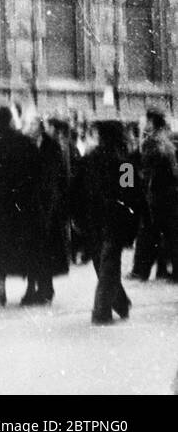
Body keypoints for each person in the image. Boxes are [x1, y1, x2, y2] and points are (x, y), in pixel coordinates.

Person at [72, 119, 142, 325]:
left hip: (92, 220)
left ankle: (112, 305)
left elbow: (75, 191)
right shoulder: (125, 163)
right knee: (109, 265)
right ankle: (108, 308)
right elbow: (130, 195)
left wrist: (76, 217)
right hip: (114, 220)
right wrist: (132, 221)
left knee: (102, 264)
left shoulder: (88, 159)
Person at [0, 106, 41, 307]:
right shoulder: (26, 142)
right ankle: (30, 289)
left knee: (3, 245)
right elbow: (36, 171)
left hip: (4, 202)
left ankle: (1, 292)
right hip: (25, 202)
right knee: (28, 244)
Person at [130, 109, 178, 281]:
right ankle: (162, 270)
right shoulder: (166, 139)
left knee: (148, 233)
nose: (143, 124)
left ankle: (141, 271)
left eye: (145, 121)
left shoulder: (153, 143)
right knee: (169, 234)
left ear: (151, 122)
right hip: (168, 194)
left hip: (156, 195)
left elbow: (146, 171)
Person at [29, 118, 71, 304]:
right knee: (39, 250)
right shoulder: (32, 145)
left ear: (40, 128)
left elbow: (54, 178)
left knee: (45, 249)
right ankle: (42, 288)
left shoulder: (52, 147)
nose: (28, 129)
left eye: (31, 126)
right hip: (36, 206)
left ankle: (46, 290)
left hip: (48, 207)